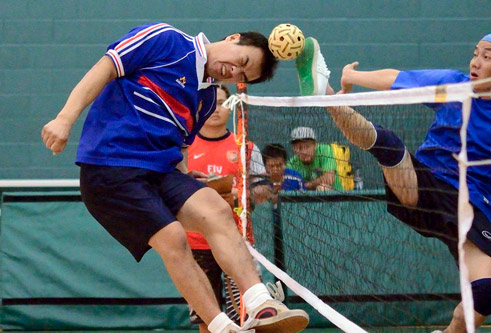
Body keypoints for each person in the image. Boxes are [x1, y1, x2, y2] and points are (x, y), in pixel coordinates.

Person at [295, 33, 491, 332]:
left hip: (472, 207)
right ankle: (324, 94)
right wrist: (351, 78)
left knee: (486, 294)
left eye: (487, 56)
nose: (475, 62)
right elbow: (398, 79)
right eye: (475, 54)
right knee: (389, 146)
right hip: (427, 185)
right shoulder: (453, 84)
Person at [41, 22, 308, 333]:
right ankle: (223, 327)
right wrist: (65, 118)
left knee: (216, 210)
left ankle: (262, 305)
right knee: (173, 238)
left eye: (242, 77)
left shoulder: (207, 98)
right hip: (111, 168)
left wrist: (184, 178)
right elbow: (104, 68)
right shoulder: (166, 40)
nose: (234, 72)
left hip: (161, 172)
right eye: (242, 61)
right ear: (233, 39)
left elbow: (180, 144)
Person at [186, 83, 273, 331]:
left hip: (237, 240)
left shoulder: (246, 146)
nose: (216, 109)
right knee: (207, 318)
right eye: (210, 103)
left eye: (223, 102)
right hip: (196, 243)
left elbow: (263, 191)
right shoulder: (186, 146)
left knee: (247, 315)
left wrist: (241, 195)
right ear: (199, 107)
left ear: (231, 106)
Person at [286, 126, 343, 191]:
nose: (304, 152)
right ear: (294, 149)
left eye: (307, 147)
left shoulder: (324, 150)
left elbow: (329, 179)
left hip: (336, 196)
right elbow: (289, 187)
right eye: (299, 148)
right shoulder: (292, 164)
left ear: (315, 145)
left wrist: (305, 185)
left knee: (323, 188)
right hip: (305, 199)